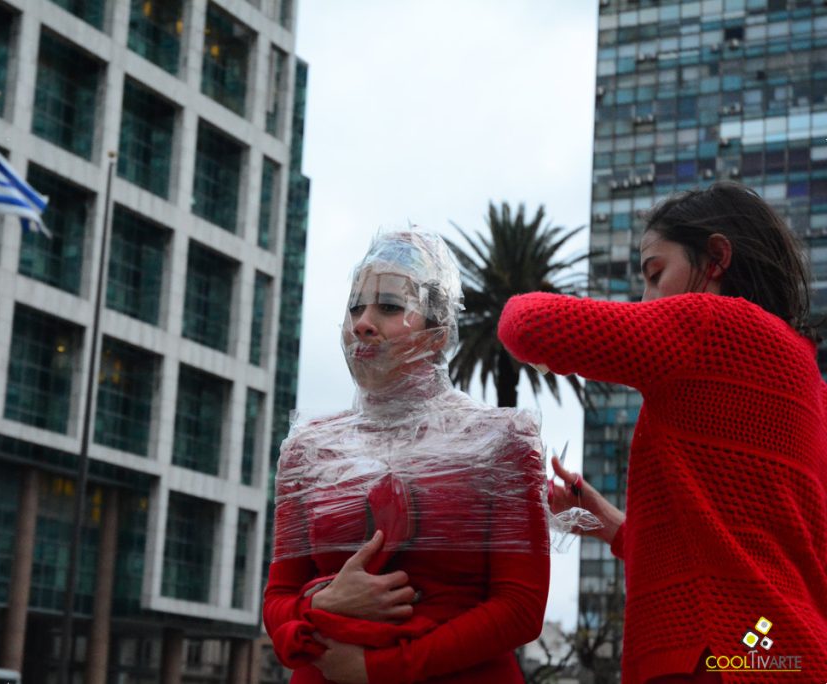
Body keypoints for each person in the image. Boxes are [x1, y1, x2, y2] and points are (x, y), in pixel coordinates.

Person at [498, 182, 827, 683]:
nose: (647, 299)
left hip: (714, 658)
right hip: (789, 653)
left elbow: (529, 325)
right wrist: (601, 516)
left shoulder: (707, 325)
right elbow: (727, 546)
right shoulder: (811, 384)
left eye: (656, 274)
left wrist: (515, 306)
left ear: (716, 257)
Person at [263, 231, 550, 684]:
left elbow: (521, 608)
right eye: (355, 308)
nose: (362, 323)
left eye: (390, 307)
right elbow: (278, 597)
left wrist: (379, 669)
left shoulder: (501, 442)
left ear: (437, 334)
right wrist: (320, 602)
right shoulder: (309, 450)